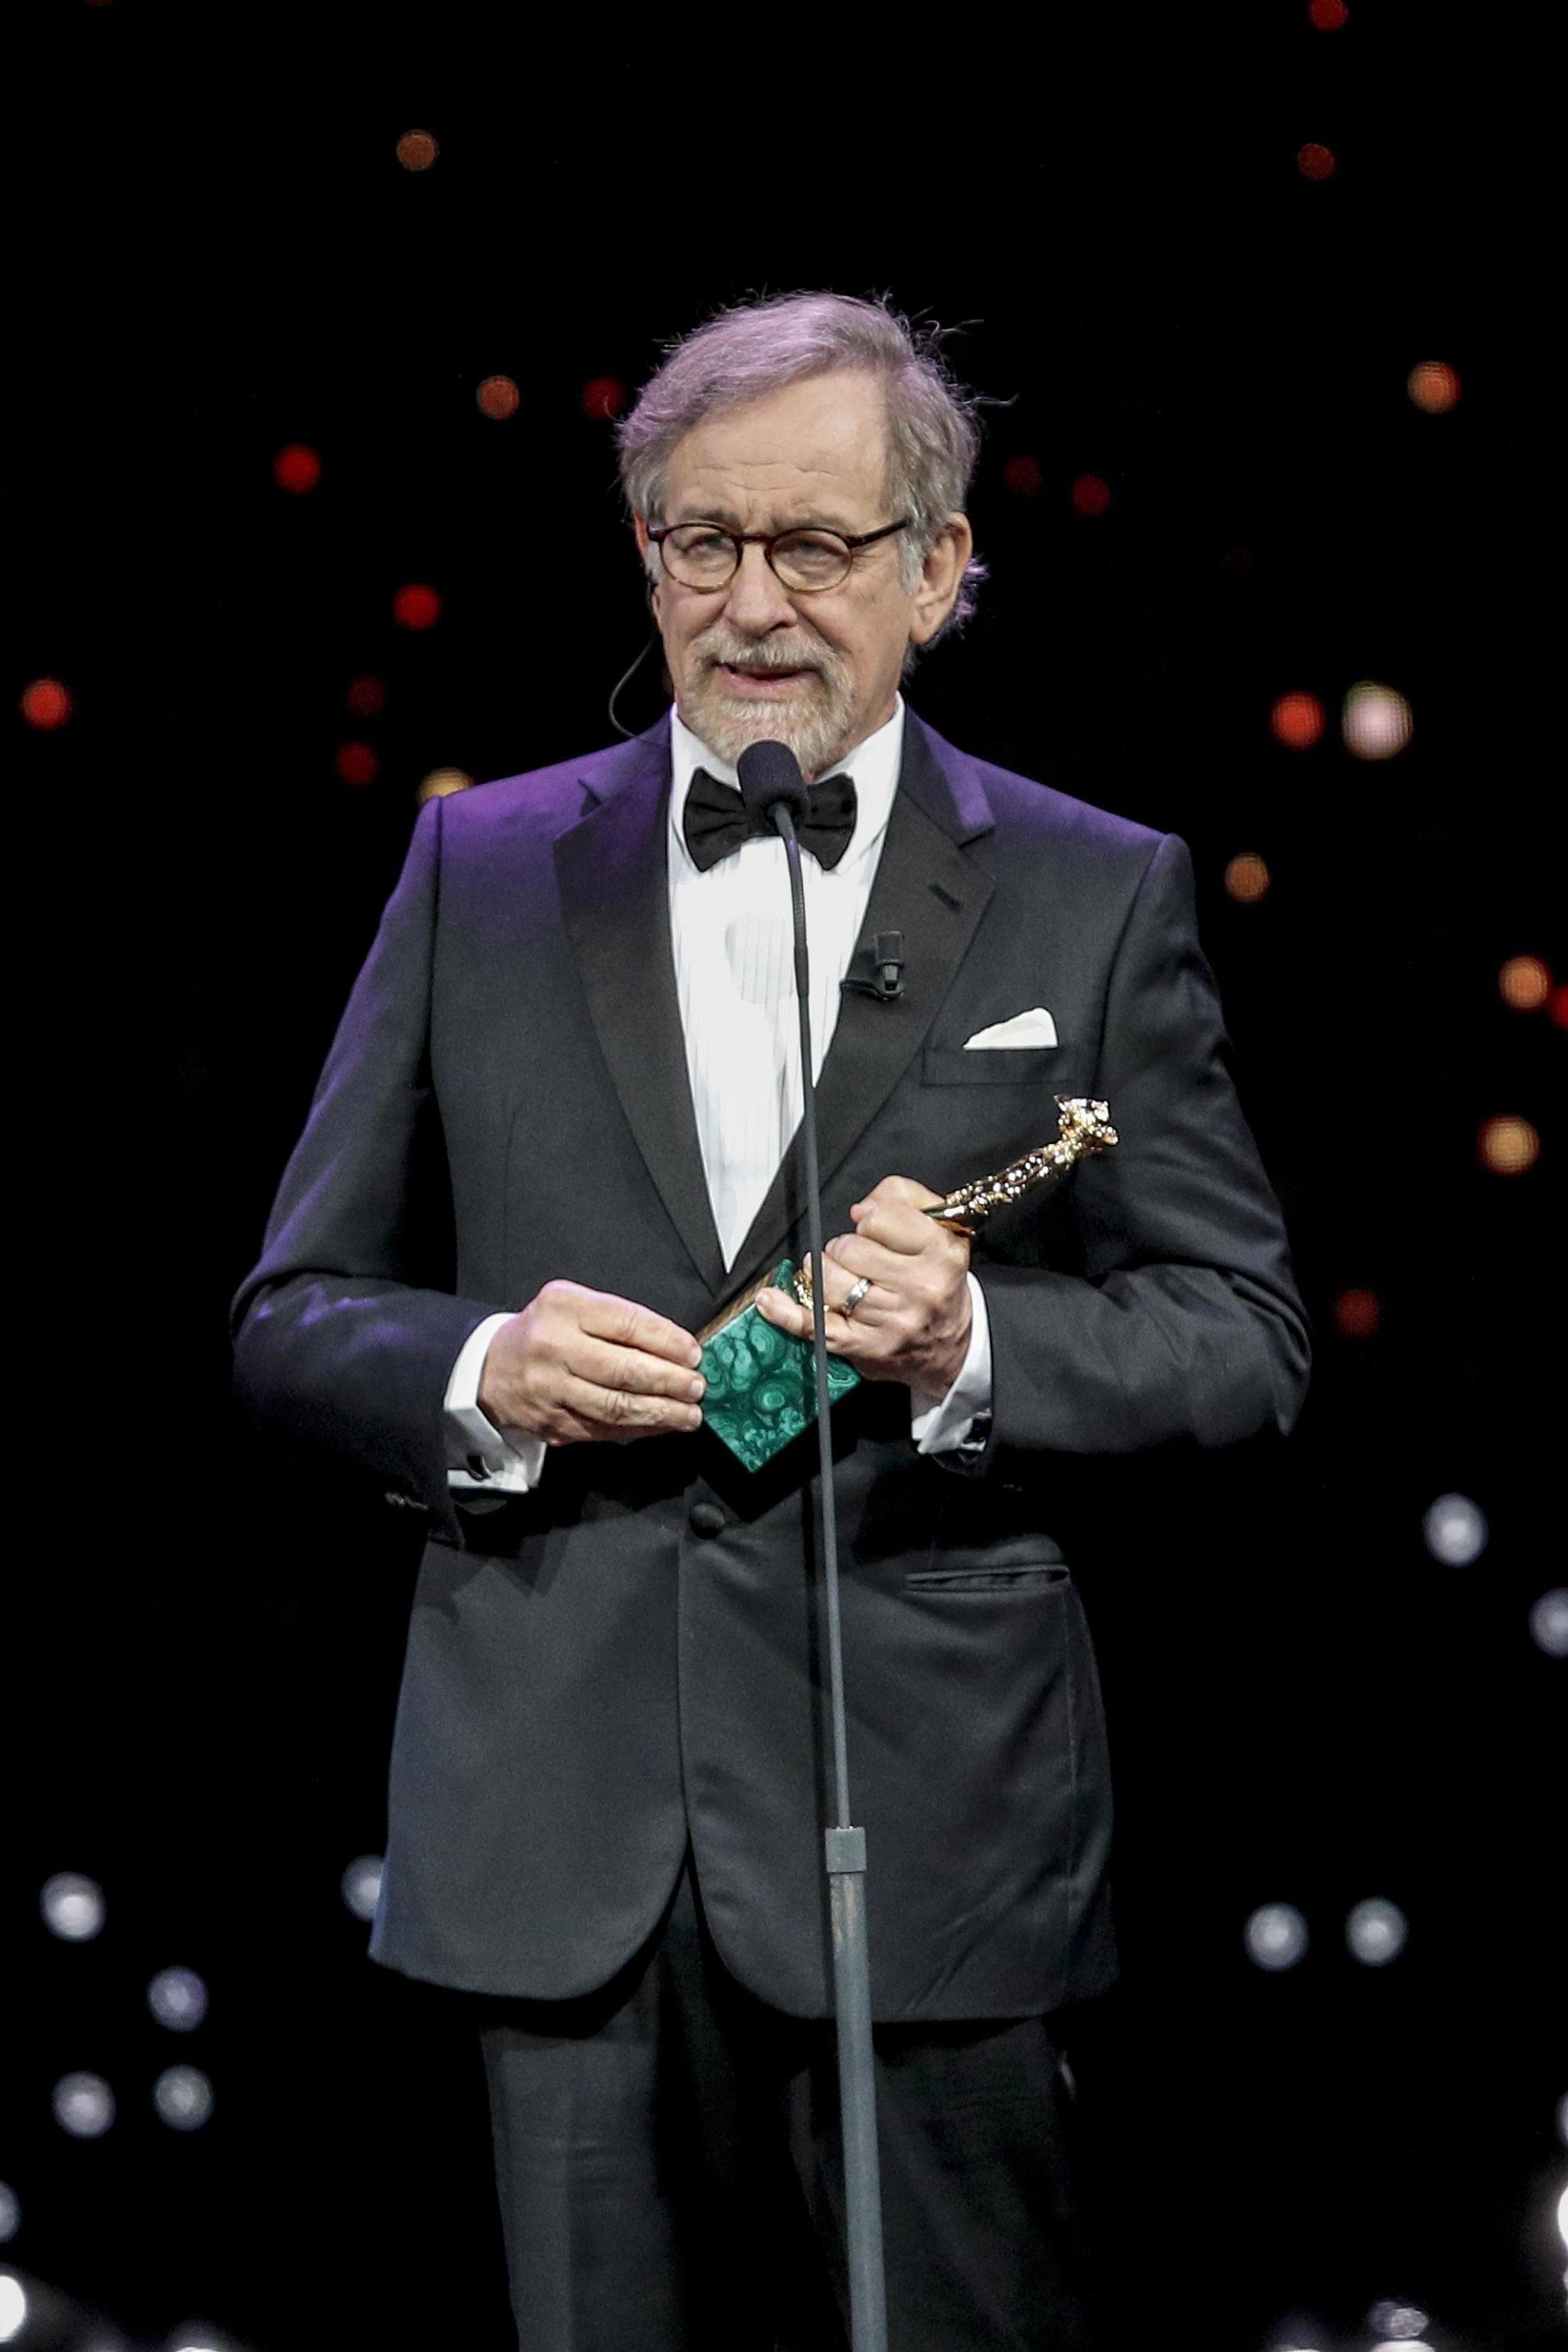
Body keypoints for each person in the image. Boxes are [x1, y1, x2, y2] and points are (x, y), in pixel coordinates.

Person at [232, 291, 1309, 2350]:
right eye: (701, 540)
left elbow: (1242, 1336)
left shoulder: (1093, 890)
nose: (750, 603)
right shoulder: (480, 868)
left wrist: (973, 1346)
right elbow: (293, 1312)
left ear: (941, 566)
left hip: (932, 1830)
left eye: (813, 545)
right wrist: (482, 1373)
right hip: (562, 1833)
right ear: (645, 551)